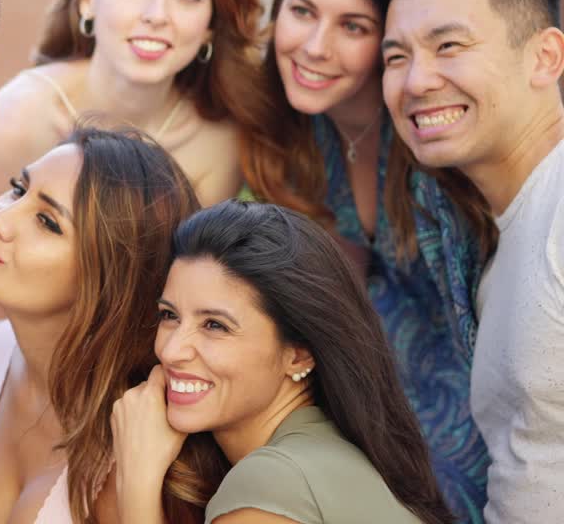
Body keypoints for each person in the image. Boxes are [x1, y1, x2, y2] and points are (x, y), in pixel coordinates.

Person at [0, 0, 265, 490]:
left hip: (109, 337)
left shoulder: (220, 139)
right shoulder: (19, 116)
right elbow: (0, 298)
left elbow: (175, 288)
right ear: (89, 0)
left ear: (212, 24)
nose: (156, 14)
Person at [237, 0, 495, 520]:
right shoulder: (279, 127)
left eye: (354, 26)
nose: (316, 47)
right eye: (302, 13)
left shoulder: (437, 127)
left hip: (484, 421)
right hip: (358, 415)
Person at [362, 0, 564, 523]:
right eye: (396, 56)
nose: (416, 81)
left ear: (544, 57)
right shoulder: (499, 249)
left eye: (449, 46)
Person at [112, 201, 454, 524]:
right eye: (169, 315)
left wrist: (138, 482)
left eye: (215, 325)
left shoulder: (272, 484)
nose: (171, 351)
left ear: (298, 354)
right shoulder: (325, 457)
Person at [0, 126, 222, 524]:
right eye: (18, 189)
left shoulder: (138, 445)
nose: (0, 217)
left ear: (107, 277)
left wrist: (138, 484)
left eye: (47, 222)